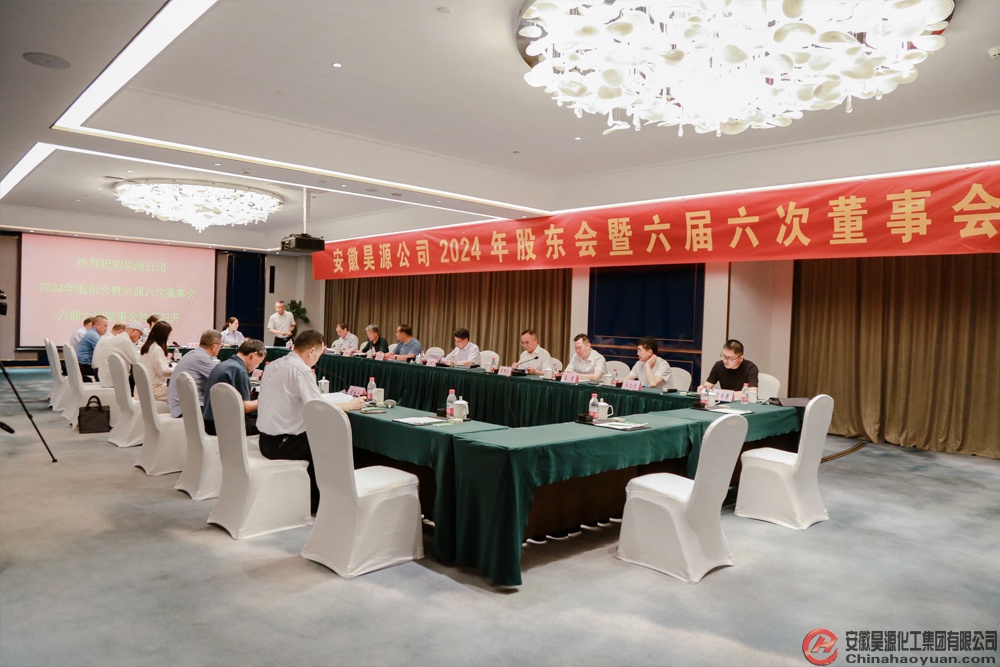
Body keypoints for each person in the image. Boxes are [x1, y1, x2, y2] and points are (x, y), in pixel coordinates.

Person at [257, 330, 364, 514]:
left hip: (265, 440)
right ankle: (323, 503)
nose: (318, 360)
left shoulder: (273, 364)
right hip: (284, 444)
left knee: (320, 439)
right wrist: (350, 404)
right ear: (312, 351)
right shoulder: (302, 370)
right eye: (319, 355)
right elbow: (318, 410)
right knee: (336, 445)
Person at [202, 338, 266, 436]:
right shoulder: (240, 371)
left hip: (210, 422)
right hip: (226, 426)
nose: (257, 366)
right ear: (253, 355)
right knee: (269, 423)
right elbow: (245, 407)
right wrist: (267, 400)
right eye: (259, 362)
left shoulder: (223, 365)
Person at [167, 330, 222, 418]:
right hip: (185, 409)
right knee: (226, 410)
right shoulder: (202, 358)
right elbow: (221, 378)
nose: (220, 348)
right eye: (220, 345)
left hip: (179, 406)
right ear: (213, 346)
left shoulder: (194, 353)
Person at [137, 321, 174, 402]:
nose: (168, 338)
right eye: (168, 335)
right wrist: (176, 370)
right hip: (154, 390)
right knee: (182, 393)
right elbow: (162, 372)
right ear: (163, 335)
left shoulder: (147, 347)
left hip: (141, 389)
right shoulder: (157, 349)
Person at [91, 322, 127, 387]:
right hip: (105, 376)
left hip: (98, 372)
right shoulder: (113, 340)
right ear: (121, 332)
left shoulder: (104, 338)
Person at [76, 315, 108, 380]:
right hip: (86, 366)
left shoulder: (92, 333)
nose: (106, 328)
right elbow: (103, 352)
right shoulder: (93, 335)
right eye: (105, 326)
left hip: (83, 365)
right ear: (97, 325)